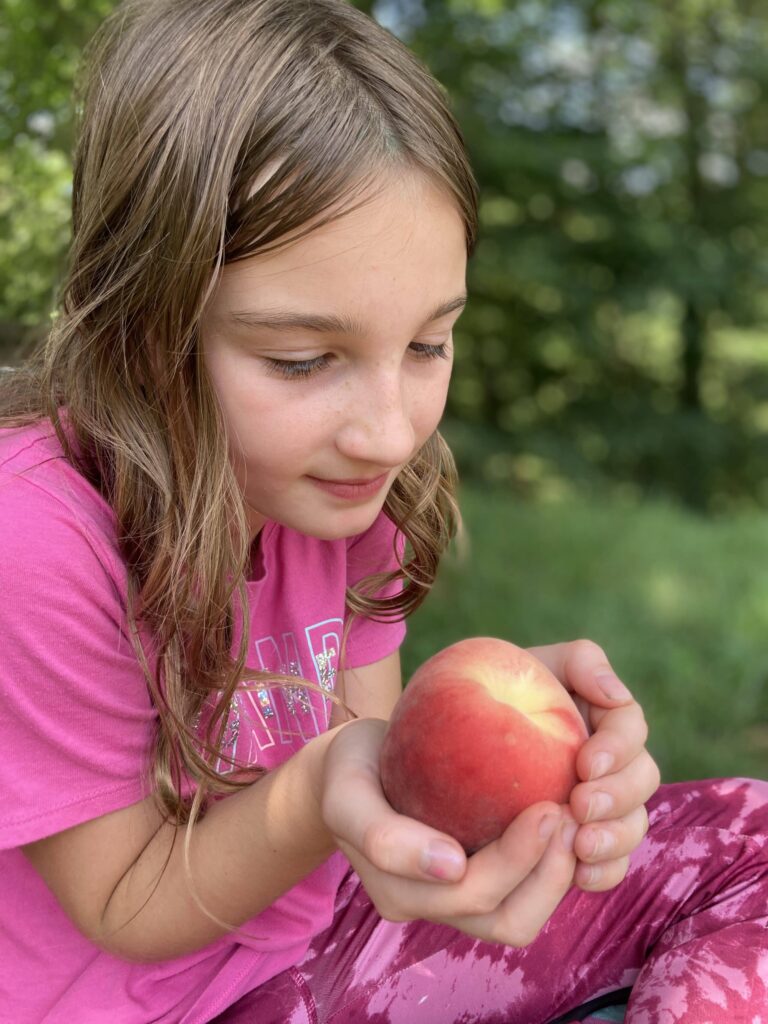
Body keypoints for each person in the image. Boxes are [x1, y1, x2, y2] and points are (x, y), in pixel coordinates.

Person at [0, 1, 765, 1022]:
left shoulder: (348, 492)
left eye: (428, 344)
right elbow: (125, 903)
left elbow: (369, 773)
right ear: (142, 334)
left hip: (315, 940)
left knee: (747, 838)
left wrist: (512, 766)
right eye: (304, 359)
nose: (391, 430)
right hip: (148, 1004)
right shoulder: (40, 535)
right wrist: (322, 787)